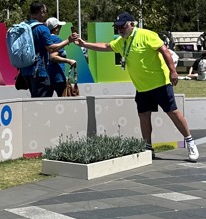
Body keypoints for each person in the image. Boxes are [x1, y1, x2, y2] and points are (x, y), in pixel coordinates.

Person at [72, 11, 198, 162]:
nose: (119, 30)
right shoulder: (122, 41)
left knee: (172, 112)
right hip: (142, 87)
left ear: (132, 24)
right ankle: (148, 147)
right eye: (117, 27)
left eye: (122, 26)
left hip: (160, 83)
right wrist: (84, 44)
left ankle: (190, 142)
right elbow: (106, 46)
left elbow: (164, 50)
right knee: (144, 115)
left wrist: (173, 71)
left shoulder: (147, 35)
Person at [44, 18, 73, 97]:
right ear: (56, 28)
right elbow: (53, 57)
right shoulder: (57, 39)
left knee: (45, 102)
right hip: (57, 76)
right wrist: (69, 61)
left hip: (46, 76)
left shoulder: (44, 39)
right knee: (64, 101)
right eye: (60, 26)